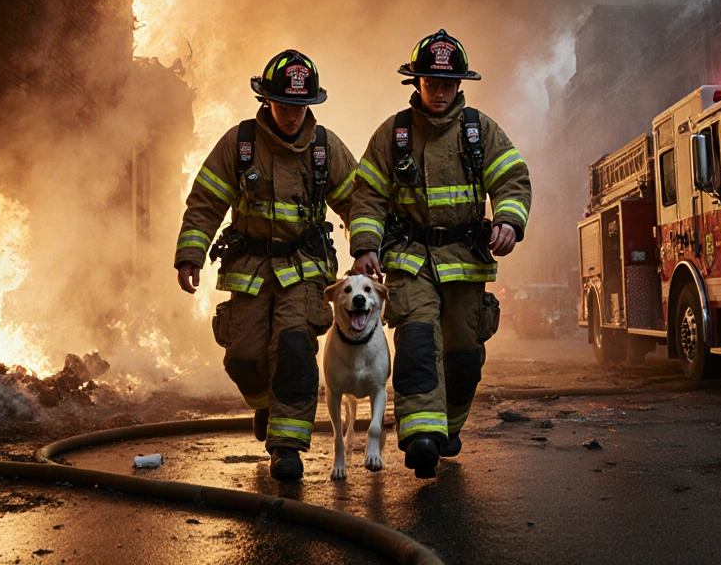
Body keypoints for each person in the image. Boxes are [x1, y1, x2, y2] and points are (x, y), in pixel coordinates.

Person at [349, 29, 532, 478]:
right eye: (431, 83)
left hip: (466, 261)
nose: (439, 92)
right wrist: (366, 246)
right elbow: (368, 194)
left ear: (459, 85)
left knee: (464, 357)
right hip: (410, 260)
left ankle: (446, 427)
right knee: (415, 344)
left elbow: (511, 178)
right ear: (416, 83)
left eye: (447, 85)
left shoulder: (479, 131)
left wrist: (509, 220)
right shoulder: (393, 135)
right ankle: (420, 437)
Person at [174, 50, 357, 481]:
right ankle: (263, 404)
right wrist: (189, 254)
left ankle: (286, 447)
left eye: (300, 106)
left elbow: (358, 200)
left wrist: (367, 248)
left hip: (306, 269)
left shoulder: (324, 149)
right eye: (285, 105)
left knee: (294, 351)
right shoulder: (238, 146)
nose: (293, 116)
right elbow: (205, 202)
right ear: (267, 100)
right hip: (250, 268)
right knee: (242, 359)